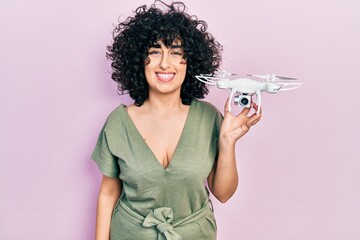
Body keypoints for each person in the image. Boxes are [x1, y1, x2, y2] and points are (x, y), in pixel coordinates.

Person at [91, 1, 262, 239]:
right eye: (154, 51)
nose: (164, 63)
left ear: (189, 61)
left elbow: (222, 194)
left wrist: (227, 141)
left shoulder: (208, 118)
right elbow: (108, 193)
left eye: (176, 52)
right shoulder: (118, 123)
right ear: (140, 60)